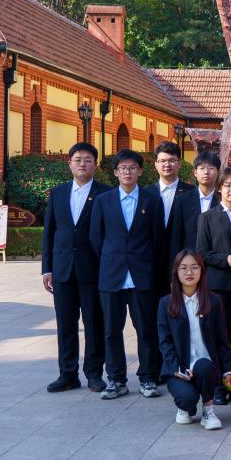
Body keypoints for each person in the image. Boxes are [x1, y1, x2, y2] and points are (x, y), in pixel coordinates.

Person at [89, 149, 166, 400]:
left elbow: (158, 240)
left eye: (132, 167)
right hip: (112, 275)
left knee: (146, 329)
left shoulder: (152, 201)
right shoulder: (103, 201)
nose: (127, 172)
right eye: (123, 168)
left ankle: (147, 378)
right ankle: (116, 379)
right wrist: (113, 259)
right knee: (111, 330)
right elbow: (96, 238)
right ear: (115, 172)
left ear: (140, 171)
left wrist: (146, 265)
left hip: (142, 275)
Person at [41, 142, 112, 393]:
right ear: (70, 163)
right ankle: (67, 374)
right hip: (63, 270)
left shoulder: (106, 194)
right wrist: (47, 268)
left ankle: (94, 374)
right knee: (65, 325)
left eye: (88, 160)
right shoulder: (58, 193)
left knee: (94, 324)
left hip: (93, 270)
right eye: (78, 159)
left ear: (95, 164)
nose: (83, 164)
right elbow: (49, 232)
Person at [195, 166, 231, 405]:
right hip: (218, 286)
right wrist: (224, 260)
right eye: (227, 185)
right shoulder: (208, 217)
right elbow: (202, 252)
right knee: (218, 336)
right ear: (219, 188)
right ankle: (219, 386)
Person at [157, 250, 230, 431]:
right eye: (183, 268)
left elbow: (222, 339)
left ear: (201, 271)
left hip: (207, 367)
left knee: (204, 366)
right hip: (180, 368)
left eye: (194, 267)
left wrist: (228, 369)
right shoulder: (166, 303)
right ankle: (186, 406)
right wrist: (176, 369)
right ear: (176, 272)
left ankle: (208, 411)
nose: (189, 272)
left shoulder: (214, 301)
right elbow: (165, 342)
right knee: (187, 399)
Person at [145, 142, 194, 302]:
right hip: (151, 262)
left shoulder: (191, 193)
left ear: (179, 164)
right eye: (162, 161)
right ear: (156, 165)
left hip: (181, 259)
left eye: (171, 160)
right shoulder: (145, 193)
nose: (167, 164)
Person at [170, 151, 222, 260]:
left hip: (217, 261)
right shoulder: (182, 200)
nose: (206, 172)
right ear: (195, 172)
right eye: (202, 168)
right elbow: (176, 236)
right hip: (189, 260)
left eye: (211, 168)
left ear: (218, 172)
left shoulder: (223, 200)